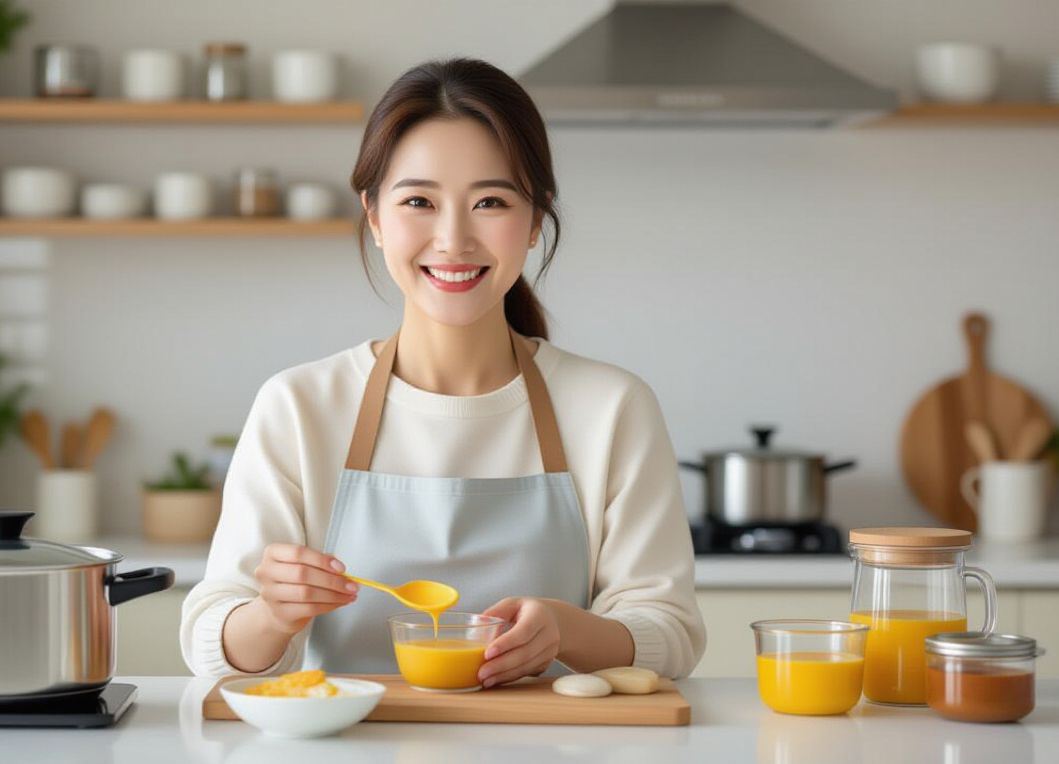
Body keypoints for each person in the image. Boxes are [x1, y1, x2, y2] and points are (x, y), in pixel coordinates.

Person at [181, 57, 705, 686]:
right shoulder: (299, 405)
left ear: (535, 219)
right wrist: (272, 614)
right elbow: (212, 639)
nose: (453, 239)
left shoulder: (613, 407)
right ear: (374, 216)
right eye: (419, 201)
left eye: (489, 201)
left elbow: (671, 632)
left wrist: (568, 629)